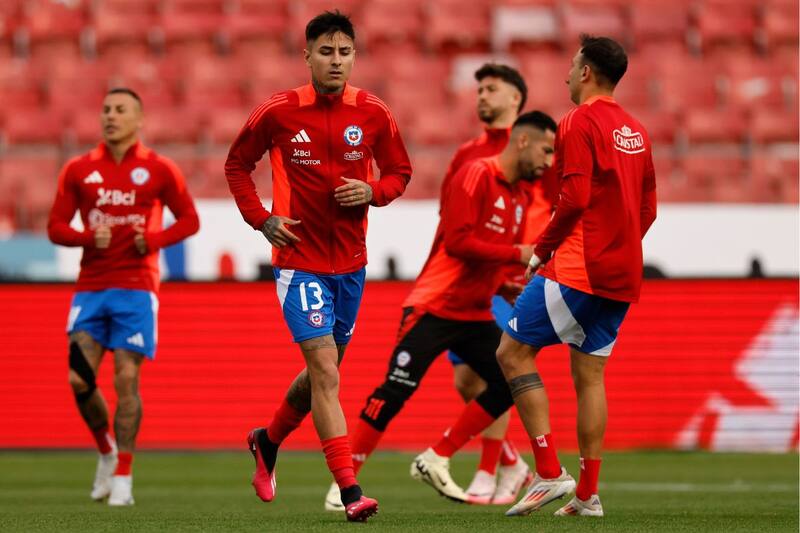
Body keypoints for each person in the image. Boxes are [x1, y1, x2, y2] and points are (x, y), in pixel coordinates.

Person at [224, 10, 412, 522]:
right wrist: (262, 219)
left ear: (354, 56)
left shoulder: (373, 112)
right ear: (306, 55)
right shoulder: (279, 111)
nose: (335, 60)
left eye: (344, 52)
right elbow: (237, 165)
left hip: (351, 264)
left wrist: (373, 191)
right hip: (298, 260)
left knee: (320, 375)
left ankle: (267, 441)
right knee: (326, 371)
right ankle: (351, 491)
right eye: (326, 51)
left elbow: (400, 172)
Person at [345, 111, 556, 504]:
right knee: (396, 389)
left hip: (475, 312)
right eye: (547, 150)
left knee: (510, 381)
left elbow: (488, 255)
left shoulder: (522, 197)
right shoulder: (476, 173)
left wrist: (504, 284)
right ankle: (344, 480)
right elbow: (458, 243)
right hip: (435, 305)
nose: (550, 161)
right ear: (524, 141)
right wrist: (518, 253)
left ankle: (438, 456)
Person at [497, 35, 658, 518]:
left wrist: (543, 249)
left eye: (571, 66)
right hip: (623, 273)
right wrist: (620, 245)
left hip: (579, 266)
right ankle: (588, 495)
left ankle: (549, 472)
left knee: (511, 353)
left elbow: (574, 200)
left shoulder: (577, 120)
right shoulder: (637, 130)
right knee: (590, 377)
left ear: (586, 72)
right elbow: (648, 209)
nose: (567, 74)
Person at [47, 88, 200, 506]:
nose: (111, 116)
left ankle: (125, 478)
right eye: (106, 110)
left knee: (127, 378)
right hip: (90, 287)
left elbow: (189, 220)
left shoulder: (159, 168)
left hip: (136, 287)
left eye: (120, 110)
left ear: (139, 119)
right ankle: (106, 451)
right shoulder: (79, 169)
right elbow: (55, 226)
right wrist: (85, 237)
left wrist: (153, 239)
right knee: (78, 378)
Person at [438, 63, 534, 506]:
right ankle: (513, 463)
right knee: (465, 380)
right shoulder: (467, 154)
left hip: (510, 277)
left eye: (491, 88)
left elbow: (548, 206)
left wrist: (531, 257)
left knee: (495, 370)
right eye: (478, 90)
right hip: (470, 276)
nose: (481, 96)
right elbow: (448, 217)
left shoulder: (532, 147)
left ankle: (486, 471)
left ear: (515, 98)